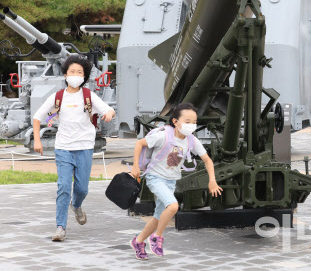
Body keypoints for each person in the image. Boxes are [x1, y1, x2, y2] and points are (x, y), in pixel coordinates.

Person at [32, 55, 116, 242]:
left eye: (80, 72)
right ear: (65, 75)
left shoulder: (89, 96)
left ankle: (76, 205)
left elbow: (108, 110)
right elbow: (38, 117)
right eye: (72, 72)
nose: (76, 75)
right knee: (63, 186)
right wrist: (37, 140)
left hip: (85, 147)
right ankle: (60, 227)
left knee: (82, 189)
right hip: (63, 148)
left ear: (84, 76)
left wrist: (109, 114)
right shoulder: (58, 97)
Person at [129, 103, 222, 259]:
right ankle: (157, 237)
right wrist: (135, 166)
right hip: (155, 178)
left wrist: (212, 181)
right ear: (175, 121)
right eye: (187, 121)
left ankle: (138, 241)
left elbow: (207, 160)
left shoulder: (191, 140)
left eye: (194, 122)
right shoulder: (163, 135)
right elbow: (140, 143)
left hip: (170, 181)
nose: (191, 125)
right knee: (173, 206)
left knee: (158, 217)